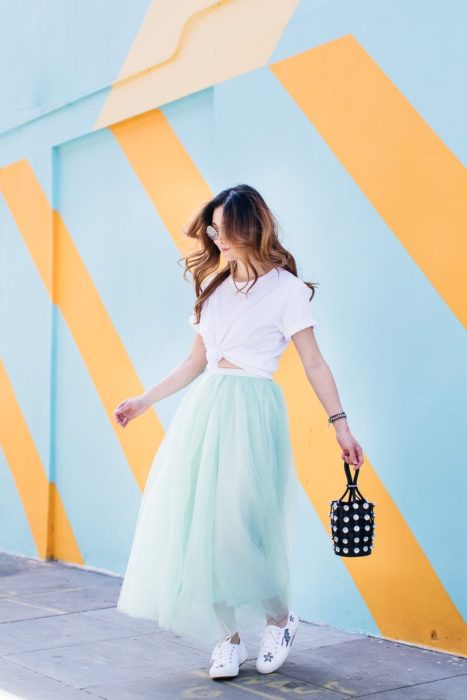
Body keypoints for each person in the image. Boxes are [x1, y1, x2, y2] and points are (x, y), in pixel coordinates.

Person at [113, 184, 364, 680]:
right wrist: (144, 401)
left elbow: (313, 363)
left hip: (252, 408)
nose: (216, 238)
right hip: (206, 407)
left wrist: (340, 423)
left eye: (223, 228)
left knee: (240, 527)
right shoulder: (213, 289)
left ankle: (279, 618)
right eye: (213, 229)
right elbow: (194, 362)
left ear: (248, 226)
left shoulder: (287, 290)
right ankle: (227, 638)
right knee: (200, 526)